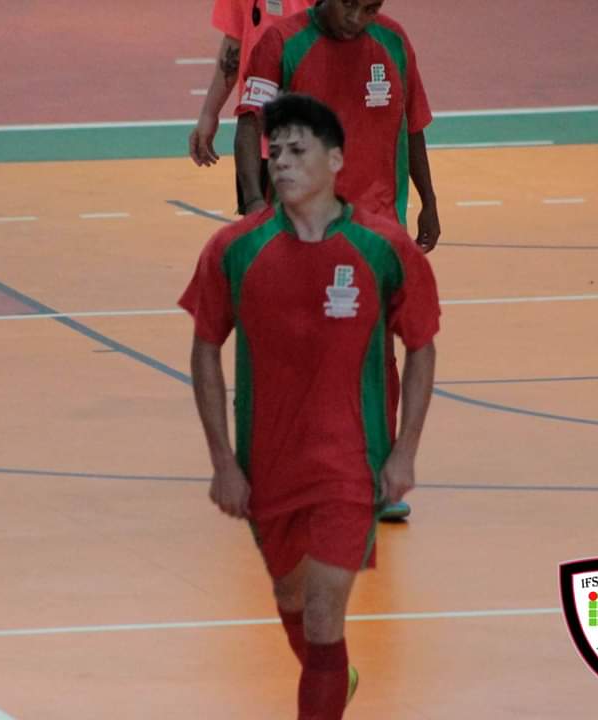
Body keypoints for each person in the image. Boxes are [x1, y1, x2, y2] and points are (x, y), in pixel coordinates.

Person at [179, 93, 439, 719]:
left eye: (299, 151)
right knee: (295, 605)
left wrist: (403, 453)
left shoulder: (383, 249)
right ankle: (334, 678)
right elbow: (204, 351)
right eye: (277, 152)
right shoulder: (234, 250)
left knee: (324, 617)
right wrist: (223, 462)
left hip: (350, 467)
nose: (283, 164)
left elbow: (422, 345)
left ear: (337, 159)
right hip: (269, 466)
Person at [235, 0, 441, 520]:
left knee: (375, 352)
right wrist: (256, 207)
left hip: (376, 230)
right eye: (351, 5)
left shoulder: (393, 42)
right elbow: (247, 128)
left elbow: (411, 127)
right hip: (299, 227)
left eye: (370, 7)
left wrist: (429, 201)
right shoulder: (281, 44)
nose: (358, 18)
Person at [189, 0, 316, 173]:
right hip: (255, 138)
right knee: (253, 198)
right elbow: (235, 40)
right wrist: (209, 113)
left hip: (312, 139)